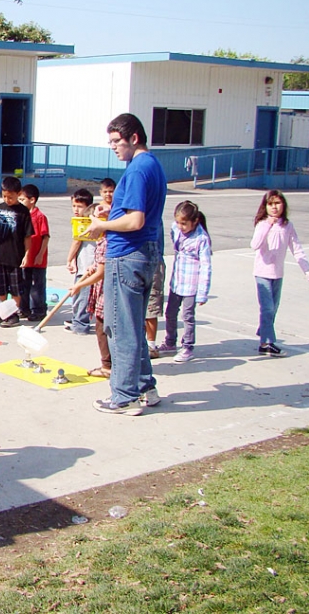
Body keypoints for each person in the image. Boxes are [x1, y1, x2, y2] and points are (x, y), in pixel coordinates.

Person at [84, 113, 167, 416]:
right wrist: (111, 212)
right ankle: (145, 387)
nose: (114, 148)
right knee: (132, 324)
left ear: (134, 138)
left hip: (127, 254)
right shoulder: (153, 165)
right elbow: (135, 213)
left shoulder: (136, 170)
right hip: (147, 253)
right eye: (110, 143)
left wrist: (101, 226)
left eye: (117, 142)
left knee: (120, 328)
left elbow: (135, 220)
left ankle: (124, 395)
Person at [250, 190, 309, 357]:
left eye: (277, 203)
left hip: (277, 274)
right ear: (265, 206)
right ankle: (268, 342)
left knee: (272, 309)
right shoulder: (262, 224)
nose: (274, 207)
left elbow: (297, 250)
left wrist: (308, 271)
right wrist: (268, 225)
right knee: (267, 308)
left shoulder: (287, 226)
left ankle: (264, 336)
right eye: (270, 204)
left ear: (283, 205)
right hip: (262, 273)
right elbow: (255, 244)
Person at [157, 201, 212, 363]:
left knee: (187, 316)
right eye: (178, 222)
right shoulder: (176, 229)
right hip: (177, 282)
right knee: (170, 313)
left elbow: (206, 267)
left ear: (195, 221)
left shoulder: (201, 239)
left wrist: (202, 293)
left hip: (191, 285)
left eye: (184, 223)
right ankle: (170, 341)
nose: (180, 226)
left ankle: (187, 346)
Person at [0, 176, 33, 327]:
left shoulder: (23, 212)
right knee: (1, 285)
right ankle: (2, 311)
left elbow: (27, 236)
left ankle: (12, 314)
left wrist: (27, 254)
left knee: (16, 287)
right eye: (4, 196)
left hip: (16, 257)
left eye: (10, 197)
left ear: (18, 194)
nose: (7, 199)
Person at [69, 204, 111, 378]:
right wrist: (92, 267)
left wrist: (80, 285)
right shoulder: (103, 239)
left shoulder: (105, 241)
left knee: (103, 328)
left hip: (107, 293)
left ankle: (108, 366)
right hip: (103, 291)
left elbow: (102, 273)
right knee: (103, 327)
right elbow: (99, 266)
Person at [18, 183, 50, 321]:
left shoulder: (40, 216)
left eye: (22, 200)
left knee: (37, 285)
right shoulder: (21, 215)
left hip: (37, 259)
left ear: (32, 200)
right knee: (24, 284)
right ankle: (24, 308)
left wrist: (40, 254)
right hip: (25, 258)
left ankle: (39, 310)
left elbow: (45, 237)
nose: (20, 203)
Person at [65, 188, 95, 335]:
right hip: (83, 263)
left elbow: (76, 241)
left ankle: (81, 324)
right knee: (78, 295)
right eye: (74, 206)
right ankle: (77, 319)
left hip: (89, 265)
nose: (76, 209)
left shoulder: (85, 221)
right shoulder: (82, 220)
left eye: (80, 206)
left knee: (82, 295)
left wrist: (69, 259)